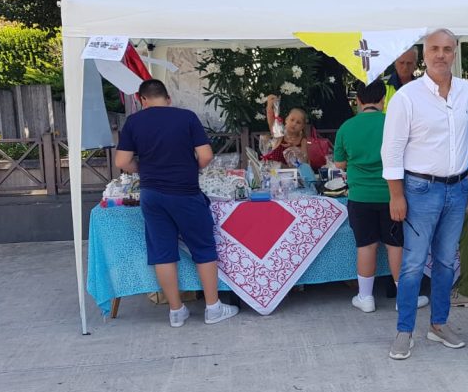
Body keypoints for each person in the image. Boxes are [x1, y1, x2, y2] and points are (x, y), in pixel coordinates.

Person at [382, 28, 468, 360]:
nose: (441, 54)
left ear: (455, 53)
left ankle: (438, 324)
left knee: (444, 261)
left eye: (447, 49)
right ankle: (404, 330)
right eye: (434, 49)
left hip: (457, 188)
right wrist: (397, 196)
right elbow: (392, 151)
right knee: (411, 264)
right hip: (420, 189)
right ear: (424, 54)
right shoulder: (407, 97)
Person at [114, 79, 240, 328]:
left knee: (162, 252)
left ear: (142, 100)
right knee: (203, 248)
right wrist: (191, 168)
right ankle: (213, 308)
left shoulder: (133, 122)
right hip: (184, 192)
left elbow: (121, 161)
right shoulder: (187, 117)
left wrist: (143, 169)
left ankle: (176, 310)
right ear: (168, 98)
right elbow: (205, 155)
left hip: (151, 195)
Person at [333, 80, 429, 313]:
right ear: (383, 100)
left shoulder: (346, 127)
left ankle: (365, 297)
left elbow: (340, 163)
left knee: (365, 246)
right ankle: (403, 298)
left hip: (359, 197)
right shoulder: (391, 123)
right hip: (392, 195)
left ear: (357, 100)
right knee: (395, 246)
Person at [262, 95, 331, 170]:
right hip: (276, 173)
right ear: (286, 120)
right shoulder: (280, 134)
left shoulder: (302, 140)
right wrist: (269, 105)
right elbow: (271, 122)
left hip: (293, 175)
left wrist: (294, 149)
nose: (294, 124)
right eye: (292, 120)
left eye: (298, 122)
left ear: (302, 127)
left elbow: (304, 160)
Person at [383, 47, 418, 112]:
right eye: (401, 63)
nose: (405, 67)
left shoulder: (422, 87)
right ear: (395, 63)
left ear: (415, 64)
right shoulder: (382, 85)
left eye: (409, 63)